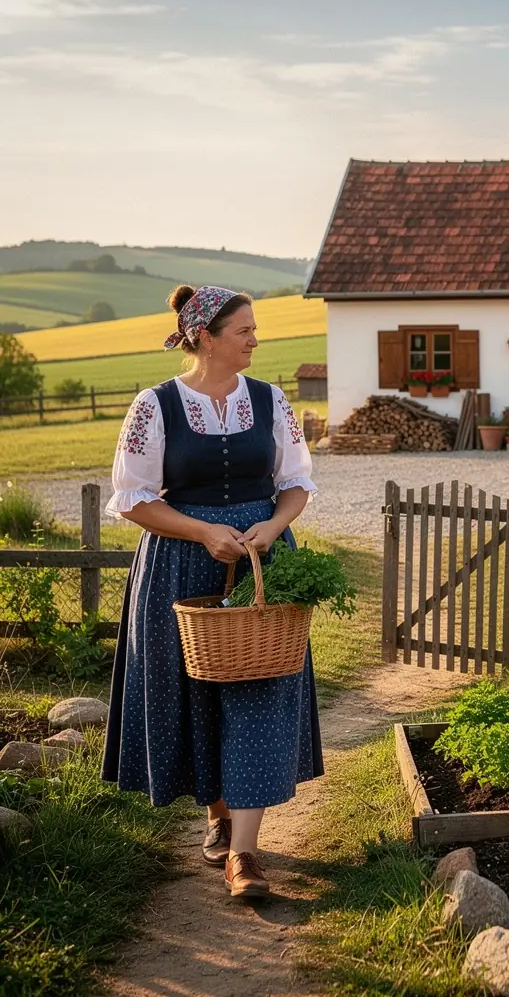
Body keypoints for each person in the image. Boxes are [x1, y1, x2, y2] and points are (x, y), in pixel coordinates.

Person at [101, 284, 322, 899]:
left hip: (260, 563)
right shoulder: (155, 406)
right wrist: (203, 532)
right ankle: (218, 815)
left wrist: (273, 528)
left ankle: (244, 856)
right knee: (196, 694)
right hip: (179, 561)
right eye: (245, 330)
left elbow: (297, 483)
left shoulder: (271, 400)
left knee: (260, 687)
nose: (256, 339)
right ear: (205, 336)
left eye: (255, 329)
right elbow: (135, 499)